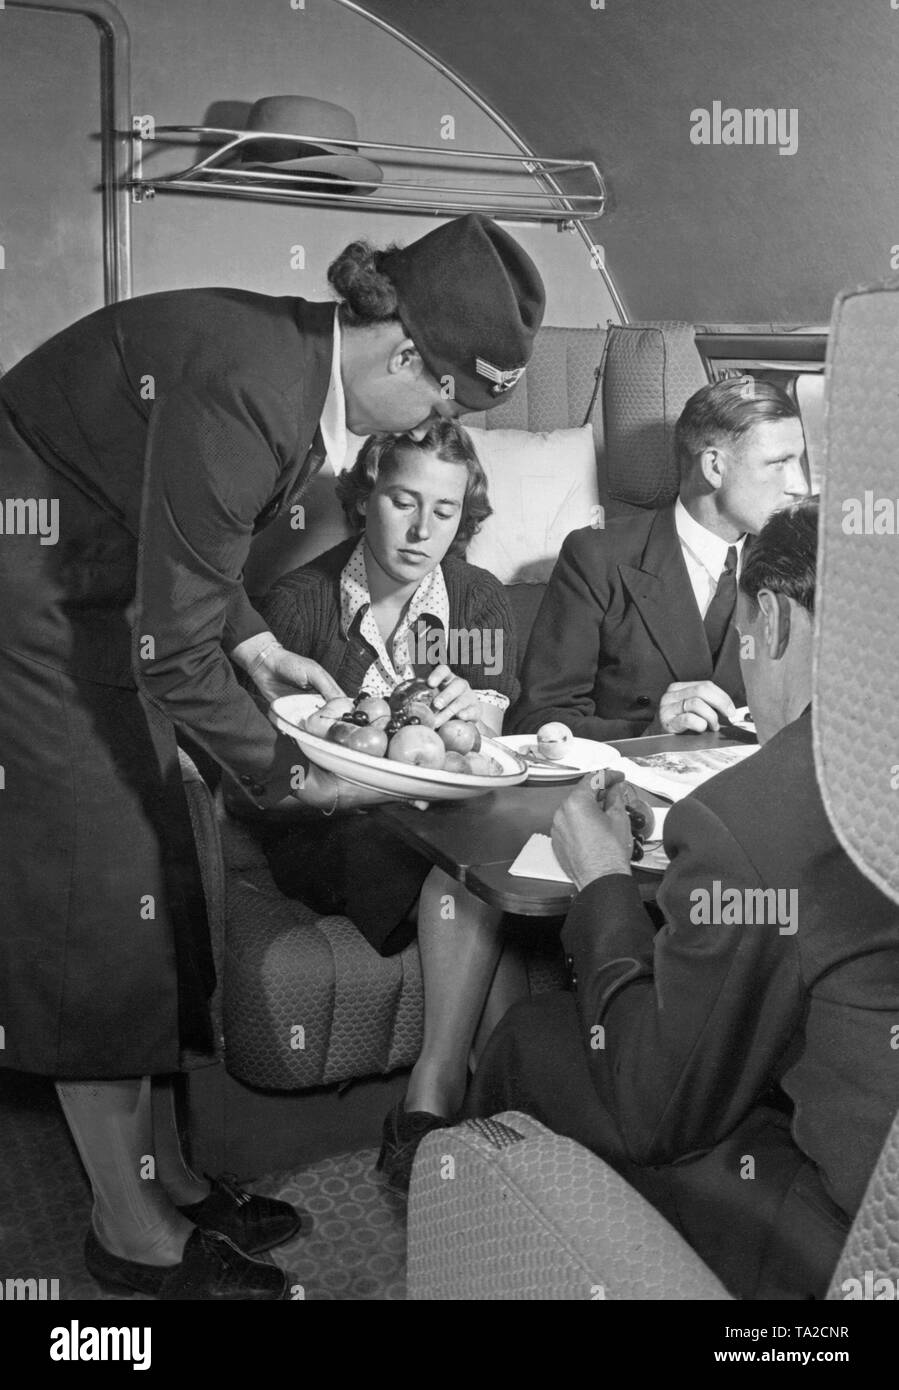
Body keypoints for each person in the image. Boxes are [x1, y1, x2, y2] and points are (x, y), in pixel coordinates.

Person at [0, 214, 545, 1298]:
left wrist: (253, 644)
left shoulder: (295, 375)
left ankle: (168, 1176)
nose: (438, 419)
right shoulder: (254, 388)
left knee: (159, 850)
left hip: (96, 578)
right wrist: (302, 779)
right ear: (402, 354)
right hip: (29, 590)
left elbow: (188, 551)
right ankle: (129, 1230)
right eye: (442, 397)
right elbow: (168, 643)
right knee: (96, 883)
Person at [468, 499, 899, 1299]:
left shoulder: (755, 813)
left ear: (768, 620)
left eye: (742, 640)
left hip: (856, 1242)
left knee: (528, 1040)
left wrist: (600, 877)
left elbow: (654, 1107)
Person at [227, 421, 524, 1190]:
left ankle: (465, 1115)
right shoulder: (298, 605)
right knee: (473, 874)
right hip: (331, 826)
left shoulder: (479, 600)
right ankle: (453, 1101)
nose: (423, 530)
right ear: (364, 501)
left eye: (446, 511)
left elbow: (483, 746)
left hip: (448, 819)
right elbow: (263, 777)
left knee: (486, 862)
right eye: (402, 501)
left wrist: (470, 717)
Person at [509, 378, 808, 741]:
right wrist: (650, 733)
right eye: (779, 463)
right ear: (714, 467)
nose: (800, 485)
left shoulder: (791, 564)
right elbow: (535, 724)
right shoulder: (596, 557)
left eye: (799, 462)